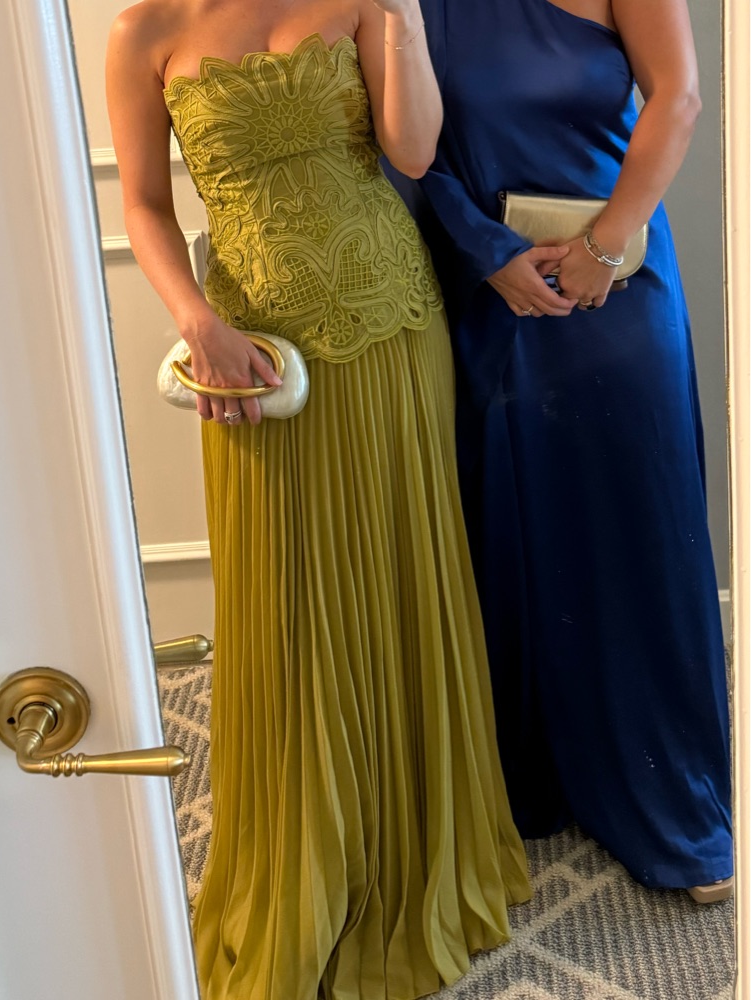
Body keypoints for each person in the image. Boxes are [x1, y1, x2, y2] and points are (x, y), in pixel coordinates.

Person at [106, 1, 532, 997]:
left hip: (388, 321)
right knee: (287, 601)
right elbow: (144, 205)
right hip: (251, 352)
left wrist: (399, 13)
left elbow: (412, 153)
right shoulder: (144, 31)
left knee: (402, 574)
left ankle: (417, 844)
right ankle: (306, 852)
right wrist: (196, 322)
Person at [401, 0, 733, 902]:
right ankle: (530, 777)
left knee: (639, 533)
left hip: (618, 284)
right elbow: (412, 148)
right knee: (517, 528)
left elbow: (678, 98)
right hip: (490, 289)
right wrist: (486, 251)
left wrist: (604, 244)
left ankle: (673, 797)